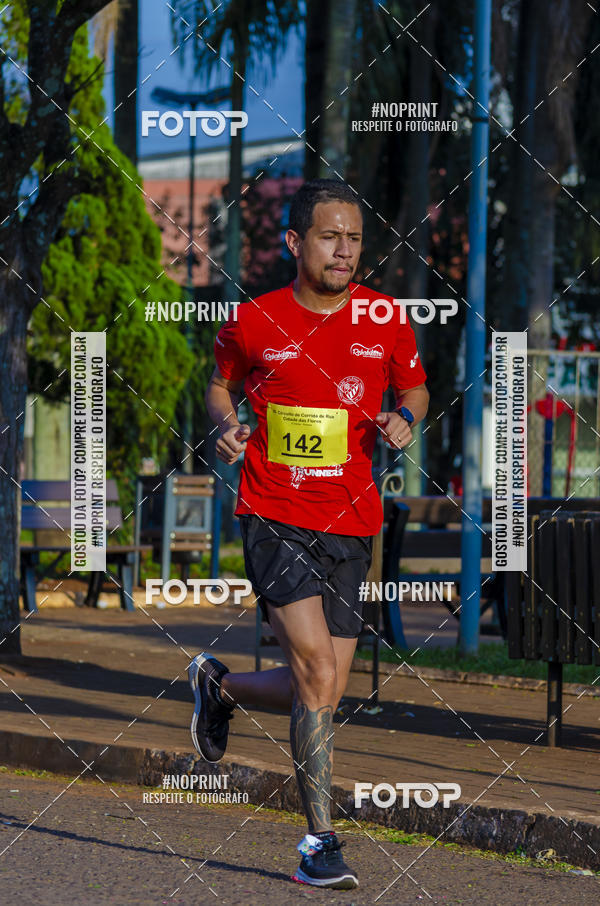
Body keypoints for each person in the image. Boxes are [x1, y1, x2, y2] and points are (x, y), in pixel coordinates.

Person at [188, 178, 429, 890]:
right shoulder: (256, 320)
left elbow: (413, 387)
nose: (344, 250)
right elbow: (219, 383)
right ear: (296, 243)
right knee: (317, 673)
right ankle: (319, 844)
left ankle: (220, 686)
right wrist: (225, 426)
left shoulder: (386, 317)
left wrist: (405, 420)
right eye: (330, 236)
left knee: (322, 685)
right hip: (272, 512)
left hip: (352, 519)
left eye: (354, 238)